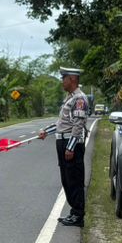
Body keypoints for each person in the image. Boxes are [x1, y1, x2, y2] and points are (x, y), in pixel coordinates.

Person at [39, 67, 91, 227]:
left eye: (64, 78)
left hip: (71, 144)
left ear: (72, 80)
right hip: (62, 141)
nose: (62, 81)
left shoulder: (80, 99)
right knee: (67, 179)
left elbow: (78, 124)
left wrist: (70, 147)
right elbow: (63, 124)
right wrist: (46, 131)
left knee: (74, 179)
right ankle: (74, 212)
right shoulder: (70, 98)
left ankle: (78, 215)